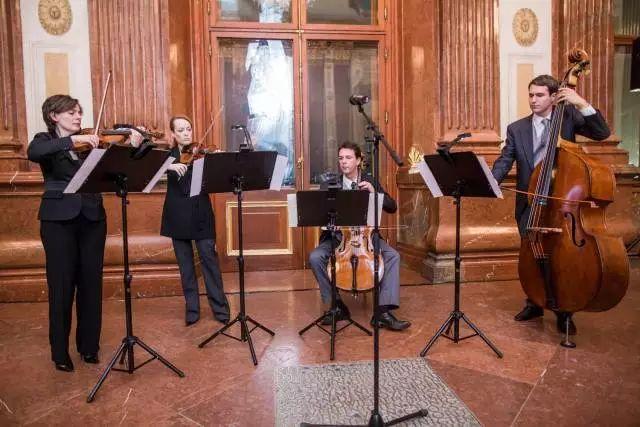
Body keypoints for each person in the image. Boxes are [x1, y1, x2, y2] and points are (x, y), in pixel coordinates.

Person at [27, 94, 141, 372]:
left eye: (79, 112)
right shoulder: (45, 140)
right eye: (71, 113)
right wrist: (72, 141)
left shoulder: (92, 144)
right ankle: (60, 352)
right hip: (58, 220)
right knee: (62, 285)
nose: (78, 116)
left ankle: (89, 347)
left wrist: (135, 142)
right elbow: (34, 152)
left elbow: (119, 167)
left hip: (92, 217)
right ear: (54, 116)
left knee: (91, 284)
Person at [491, 74, 611, 335]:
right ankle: (534, 301)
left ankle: (564, 310)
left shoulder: (568, 119)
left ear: (554, 97)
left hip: (561, 203)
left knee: (561, 257)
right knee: (533, 253)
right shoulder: (516, 128)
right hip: (530, 203)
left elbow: (602, 133)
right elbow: (505, 159)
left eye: (539, 95)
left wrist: (581, 103)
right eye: (531, 95)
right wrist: (491, 181)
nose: (533, 100)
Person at [308, 141, 410, 331]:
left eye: (348, 158)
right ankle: (337, 306)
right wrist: (330, 222)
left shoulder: (370, 181)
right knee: (315, 257)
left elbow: (392, 206)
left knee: (393, 256)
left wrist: (374, 192)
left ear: (358, 161)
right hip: (339, 239)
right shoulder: (330, 184)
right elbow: (320, 215)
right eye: (341, 158)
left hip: (366, 238)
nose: (343, 162)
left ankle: (382, 312)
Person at [161, 116, 230, 326]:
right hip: (177, 214)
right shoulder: (166, 157)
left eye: (188, 129)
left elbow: (217, 176)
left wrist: (218, 162)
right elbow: (148, 168)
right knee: (186, 266)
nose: (186, 133)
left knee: (209, 261)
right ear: (173, 134)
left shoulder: (201, 154)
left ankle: (220, 309)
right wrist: (169, 167)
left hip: (201, 213)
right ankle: (192, 309)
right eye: (180, 130)